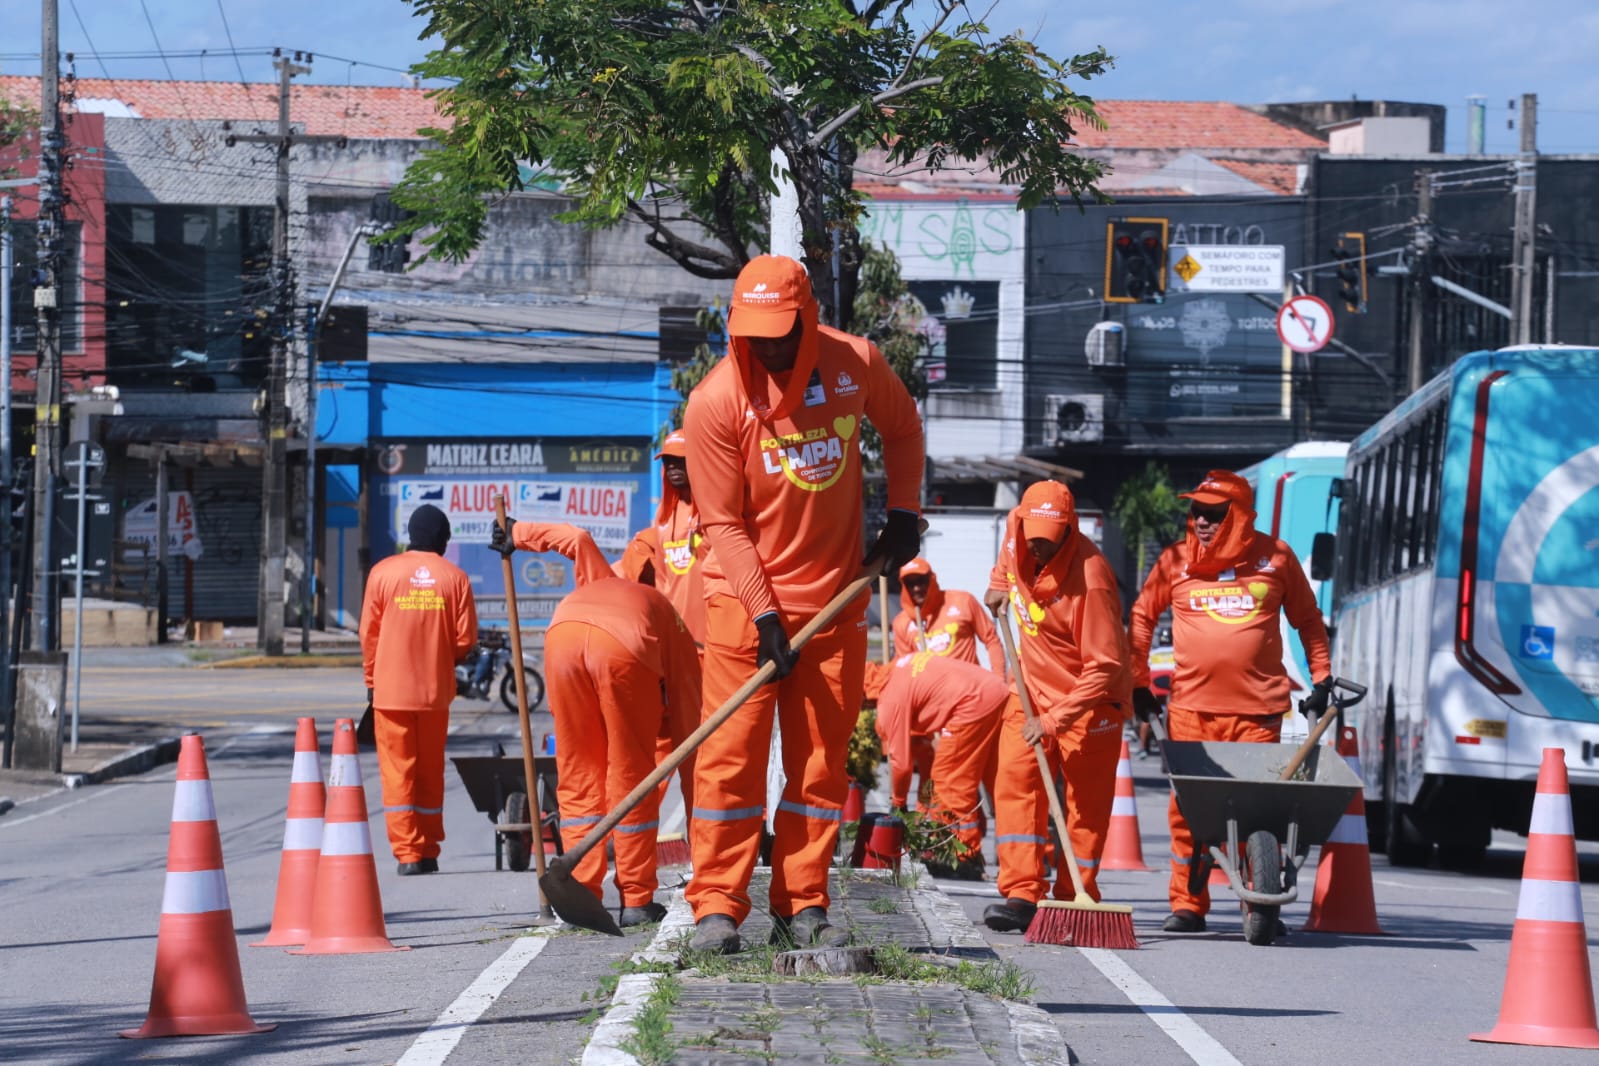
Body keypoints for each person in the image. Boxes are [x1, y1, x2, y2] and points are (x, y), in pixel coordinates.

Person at [683, 253, 924, 954]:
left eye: (782, 330)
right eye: (755, 332)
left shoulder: (854, 365)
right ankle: (716, 907)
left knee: (818, 766)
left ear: (809, 318)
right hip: (743, 607)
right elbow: (722, 524)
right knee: (730, 761)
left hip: (837, 603)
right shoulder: (716, 402)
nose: (769, 345)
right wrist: (762, 613)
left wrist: (903, 512)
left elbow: (903, 429)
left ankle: (801, 903)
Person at [1129, 469, 1333, 934]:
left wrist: (1321, 676)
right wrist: (1137, 683)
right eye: (1197, 511)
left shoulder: (1276, 559)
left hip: (1257, 712)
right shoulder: (1175, 562)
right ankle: (1188, 903)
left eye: (1214, 514)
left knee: (1259, 810)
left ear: (1238, 516)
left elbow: (1307, 620)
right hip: (1191, 711)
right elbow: (1141, 618)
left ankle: (1256, 899)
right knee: (1188, 813)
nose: (1201, 521)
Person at [491, 519, 702, 927]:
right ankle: (637, 898)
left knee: (579, 772)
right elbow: (689, 722)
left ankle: (581, 893)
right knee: (630, 774)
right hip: (623, 645)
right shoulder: (663, 611)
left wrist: (516, 534)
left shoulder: (597, 577)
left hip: (562, 635)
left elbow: (576, 537)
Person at [981, 480, 1133, 932]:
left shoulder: (1093, 580)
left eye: (1050, 538)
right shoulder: (1018, 527)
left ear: (1070, 528)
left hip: (1089, 701)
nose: (1039, 547)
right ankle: (1021, 893)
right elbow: (1008, 555)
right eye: (1034, 537)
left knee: (1084, 806)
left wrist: (1053, 720)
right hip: (1029, 688)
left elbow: (1104, 667)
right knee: (1015, 785)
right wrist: (996, 584)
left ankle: (1071, 896)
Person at [360, 504, 478, 875]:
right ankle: (428, 849)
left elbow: (369, 636)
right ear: (442, 538)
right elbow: (465, 640)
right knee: (429, 771)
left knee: (398, 773)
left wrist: (371, 681)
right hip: (434, 694)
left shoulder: (382, 573)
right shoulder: (455, 578)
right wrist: (440, 656)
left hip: (390, 695)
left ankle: (407, 853)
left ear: (410, 535)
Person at [870, 651, 1008, 879]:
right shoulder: (900, 666)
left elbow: (901, 764)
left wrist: (899, 803)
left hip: (972, 701)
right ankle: (1009, 855)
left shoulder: (889, 699)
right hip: (993, 689)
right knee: (994, 781)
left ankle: (964, 857)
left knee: (949, 779)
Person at [890, 556, 1007, 810]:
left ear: (931, 579)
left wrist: (999, 681)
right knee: (936, 783)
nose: (917, 588)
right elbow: (903, 676)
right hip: (934, 715)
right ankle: (931, 842)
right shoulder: (902, 624)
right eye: (910, 584)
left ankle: (993, 828)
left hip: (971, 707)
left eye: (921, 581)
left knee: (986, 776)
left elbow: (991, 639)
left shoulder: (961, 602)